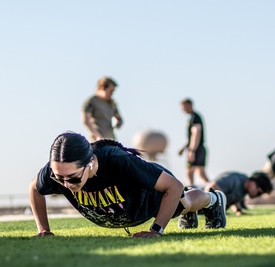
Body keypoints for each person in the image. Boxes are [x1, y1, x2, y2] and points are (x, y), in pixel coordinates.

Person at [29, 131, 227, 238]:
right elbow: (34, 188)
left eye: (72, 178)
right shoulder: (59, 171)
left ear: (90, 163)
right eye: (59, 179)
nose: (65, 184)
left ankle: (214, 199)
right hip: (127, 209)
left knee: (186, 204)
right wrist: (43, 230)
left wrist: (155, 231)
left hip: (149, 198)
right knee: (183, 204)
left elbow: (173, 187)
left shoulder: (119, 161)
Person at [178, 170, 273, 228]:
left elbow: (235, 198)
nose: (258, 195)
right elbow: (211, 187)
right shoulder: (234, 179)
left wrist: (238, 210)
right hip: (194, 196)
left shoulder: (244, 190)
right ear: (253, 184)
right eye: (259, 192)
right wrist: (210, 208)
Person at [176, 98, 208, 185]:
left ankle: (191, 191)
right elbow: (191, 138)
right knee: (201, 172)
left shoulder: (194, 117)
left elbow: (196, 133)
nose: (182, 109)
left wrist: (192, 150)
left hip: (197, 149)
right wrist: (183, 148)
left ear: (188, 105)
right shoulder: (193, 117)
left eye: (183, 107)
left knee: (190, 171)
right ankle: (214, 188)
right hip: (199, 148)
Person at [82, 77, 123, 141]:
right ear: (102, 88)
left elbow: (119, 119)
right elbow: (86, 121)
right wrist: (97, 136)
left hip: (111, 139)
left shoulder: (112, 103)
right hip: (97, 141)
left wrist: (118, 123)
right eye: (111, 91)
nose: (112, 94)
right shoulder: (91, 102)